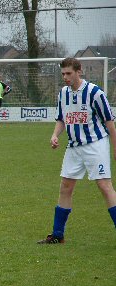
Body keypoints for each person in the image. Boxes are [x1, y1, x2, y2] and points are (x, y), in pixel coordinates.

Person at [38, 57, 116, 244]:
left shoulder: (94, 93)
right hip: (74, 146)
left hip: (95, 144)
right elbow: (61, 119)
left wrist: (115, 148)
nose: (65, 77)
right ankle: (57, 235)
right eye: (63, 74)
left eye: (69, 73)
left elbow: (110, 124)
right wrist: (55, 135)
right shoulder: (63, 93)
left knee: (105, 187)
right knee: (66, 187)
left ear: (79, 71)